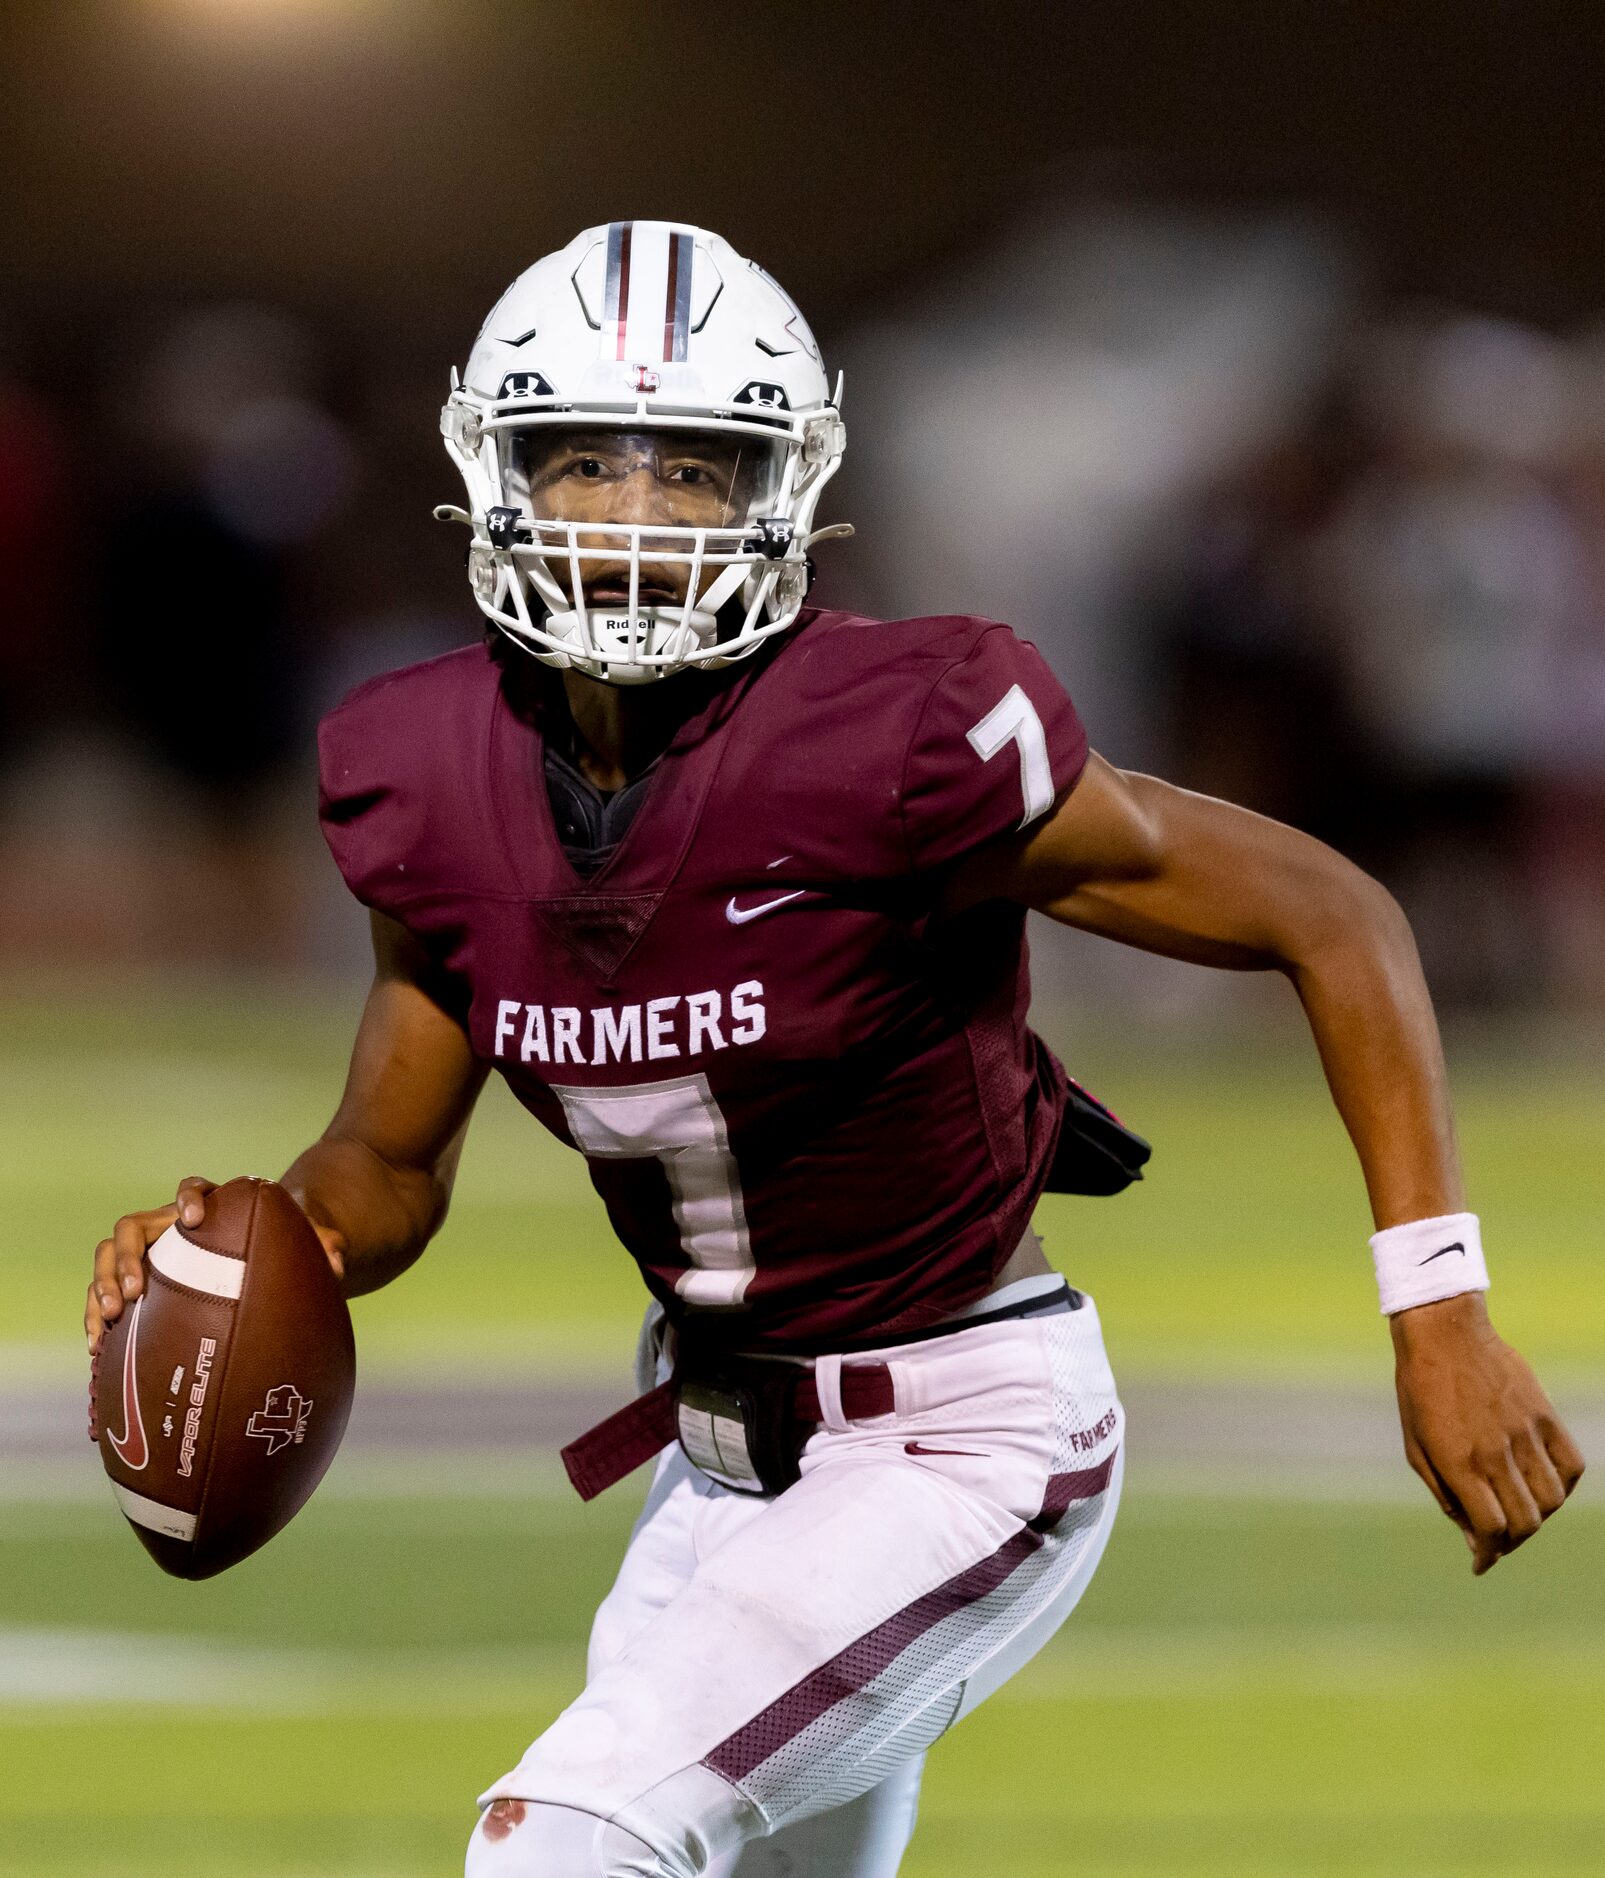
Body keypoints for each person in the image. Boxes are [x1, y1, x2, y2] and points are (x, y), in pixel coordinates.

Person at [85, 223, 1584, 1878]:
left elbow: (1330, 909)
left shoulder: (895, 735)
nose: (637, 521)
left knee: (563, 1840)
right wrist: (246, 1248)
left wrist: (1435, 1308)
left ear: (782, 488)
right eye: (585, 462)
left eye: (693, 472)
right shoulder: (424, 770)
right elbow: (382, 1159)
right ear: (493, 474)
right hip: (717, 1457)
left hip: (960, 1435)